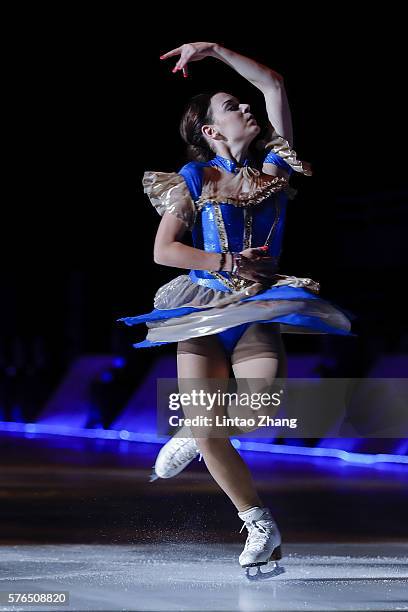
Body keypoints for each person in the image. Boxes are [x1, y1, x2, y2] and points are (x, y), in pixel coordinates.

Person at [117, 42, 354, 571]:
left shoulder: (274, 166)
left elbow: (272, 84)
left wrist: (215, 49)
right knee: (208, 425)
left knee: (261, 400)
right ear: (210, 130)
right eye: (231, 106)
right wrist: (225, 259)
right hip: (202, 303)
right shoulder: (195, 179)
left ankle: (193, 430)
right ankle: (258, 523)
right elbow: (163, 251)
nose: (246, 107)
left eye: (244, 105)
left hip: (257, 305)